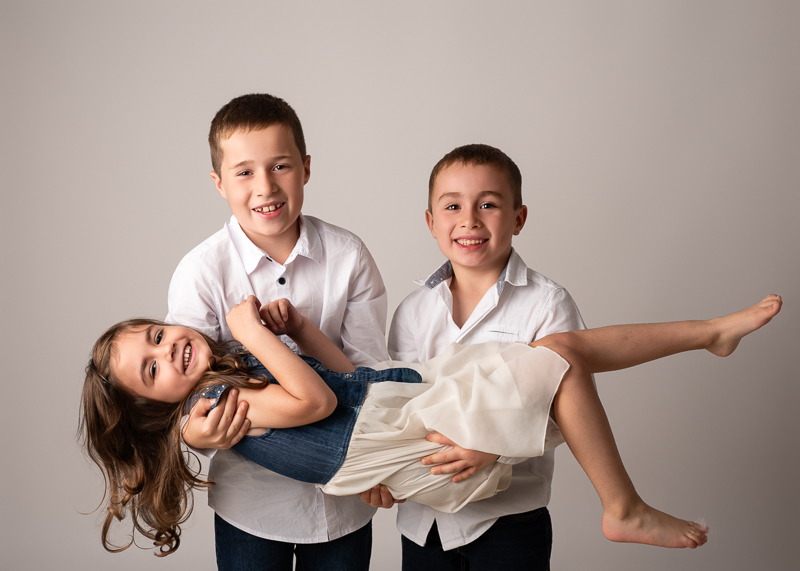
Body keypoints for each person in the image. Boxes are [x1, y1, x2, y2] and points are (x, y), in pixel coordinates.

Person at [80, 294, 781, 558]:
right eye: (149, 368)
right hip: (416, 438)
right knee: (564, 359)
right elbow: (317, 409)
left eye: (151, 332)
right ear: (156, 407)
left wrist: (305, 334)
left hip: (407, 409)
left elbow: (344, 381)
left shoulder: (228, 380)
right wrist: (247, 330)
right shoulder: (215, 411)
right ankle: (622, 504)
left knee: (564, 354)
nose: (162, 346)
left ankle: (709, 332)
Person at [165, 93, 389, 570]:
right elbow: (185, 390)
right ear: (219, 183)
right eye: (244, 172)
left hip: (343, 500)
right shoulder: (201, 271)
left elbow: (365, 372)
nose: (264, 186)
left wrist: (373, 457)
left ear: (306, 168)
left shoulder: (349, 256)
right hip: (249, 505)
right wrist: (195, 434)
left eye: (280, 166)